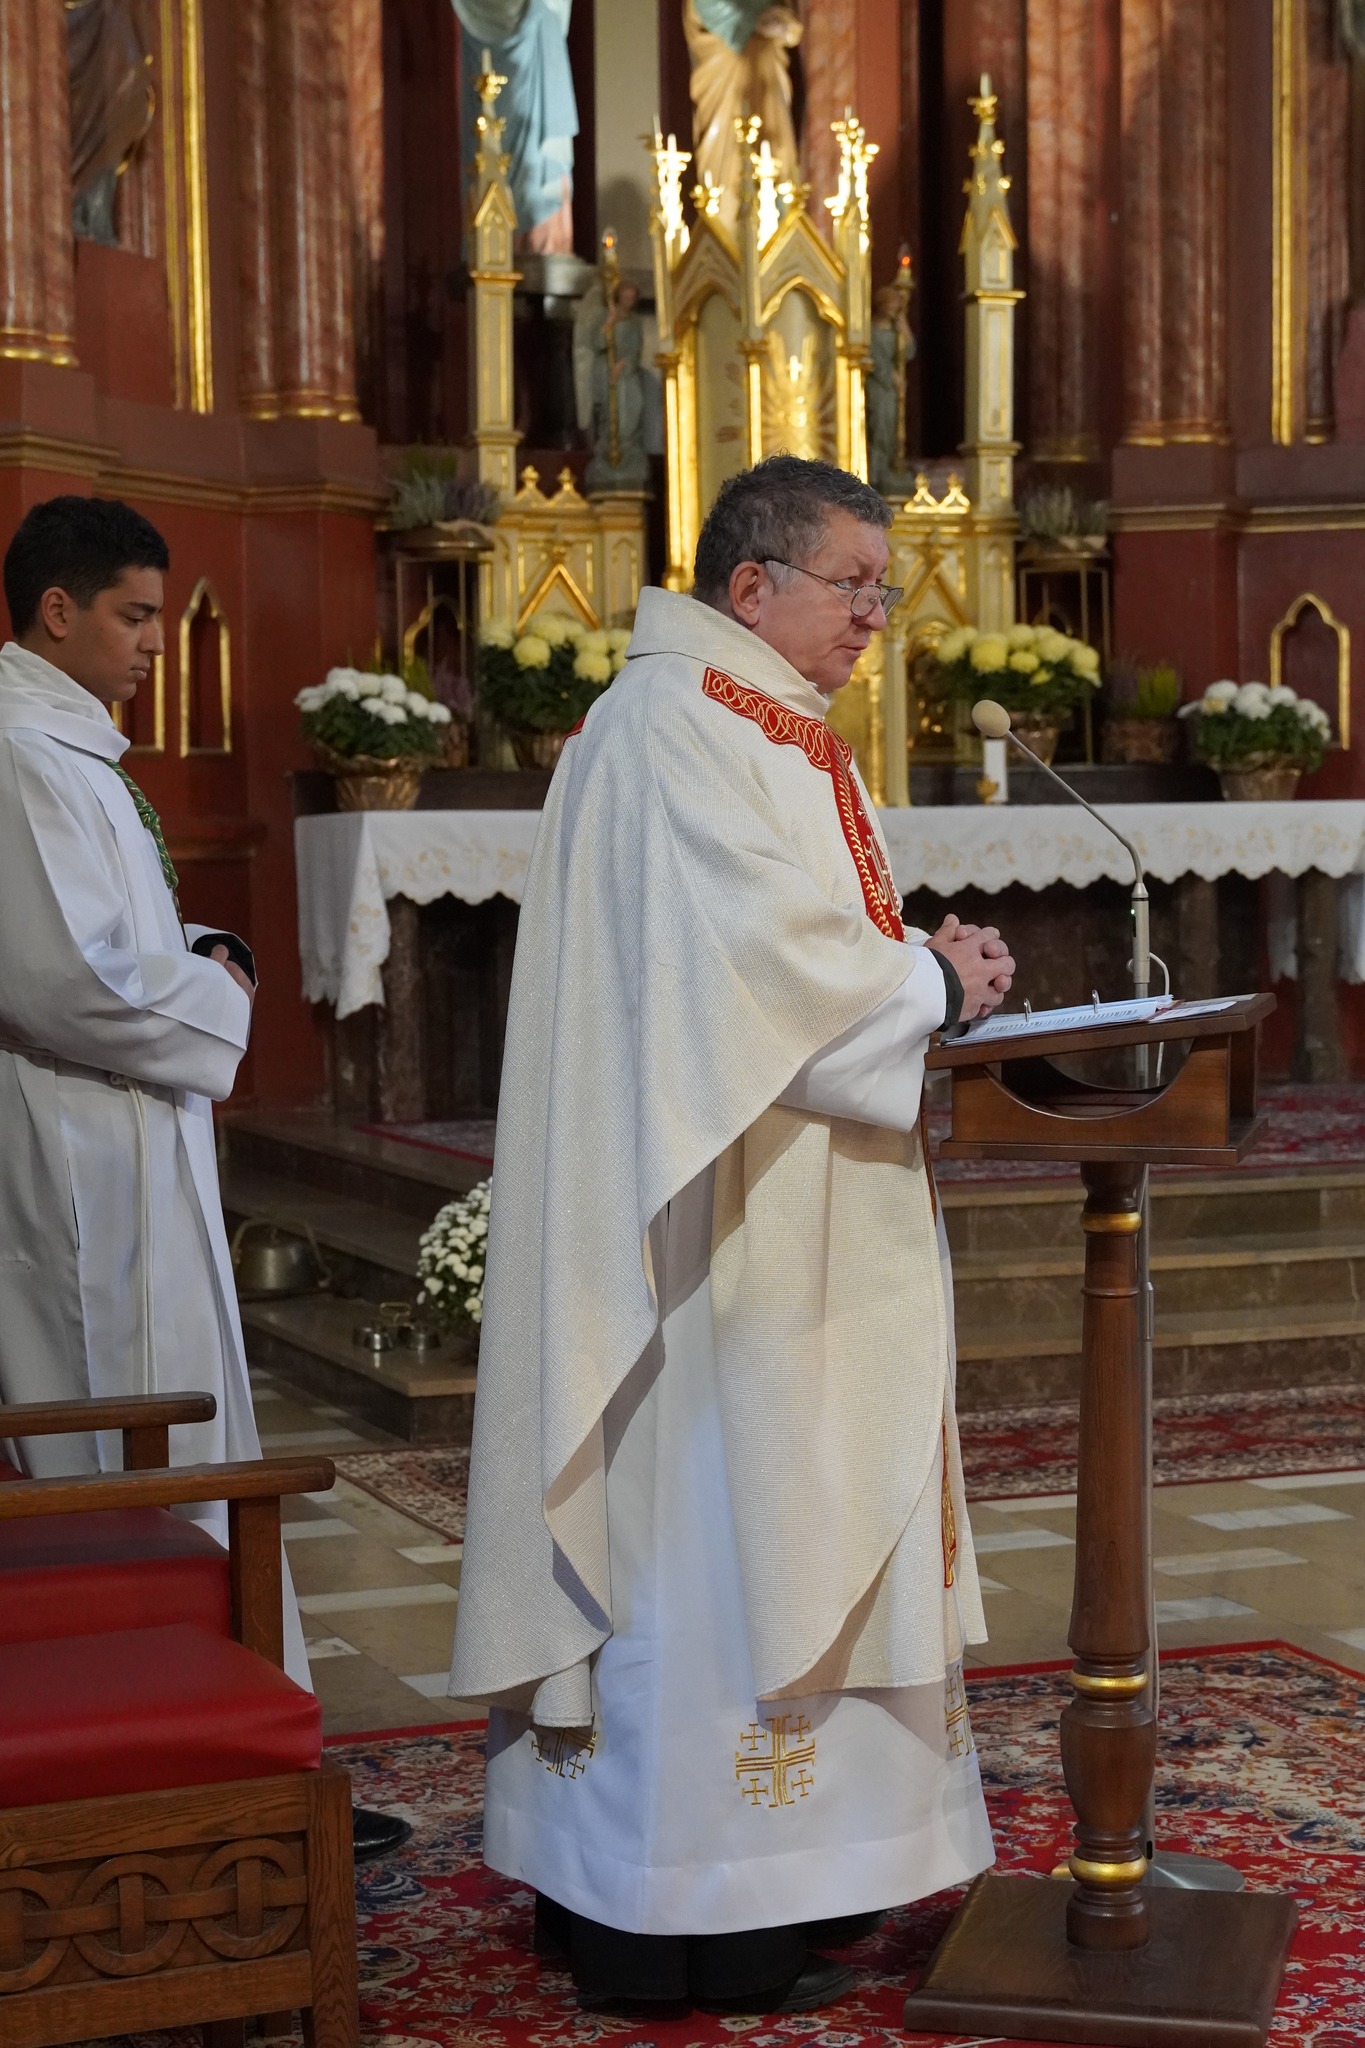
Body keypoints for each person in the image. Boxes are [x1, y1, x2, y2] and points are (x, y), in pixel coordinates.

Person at [450, 455, 1015, 2014]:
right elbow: (759, 968)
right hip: (706, 1238)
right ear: (749, 585)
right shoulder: (677, 724)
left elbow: (789, 950)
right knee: (710, 1536)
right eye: (853, 586)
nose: (877, 618)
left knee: (768, 1517)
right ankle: (680, 1912)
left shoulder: (743, 719)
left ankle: (779, 1888)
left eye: (884, 590)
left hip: (772, 1193)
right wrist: (928, 980)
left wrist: (905, 968)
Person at [0, 496, 406, 1863]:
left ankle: (247, 1750)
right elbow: (64, 982)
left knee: (191, 1431)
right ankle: (156, 1782)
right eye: (134, 615)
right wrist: (215, 989)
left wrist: (190, 956)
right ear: (58, 609)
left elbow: (108, 950)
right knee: (119, 1437)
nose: (157, 644)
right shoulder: (20, 751)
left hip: (129, 1141)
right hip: (76, 1167)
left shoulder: (69, 746)